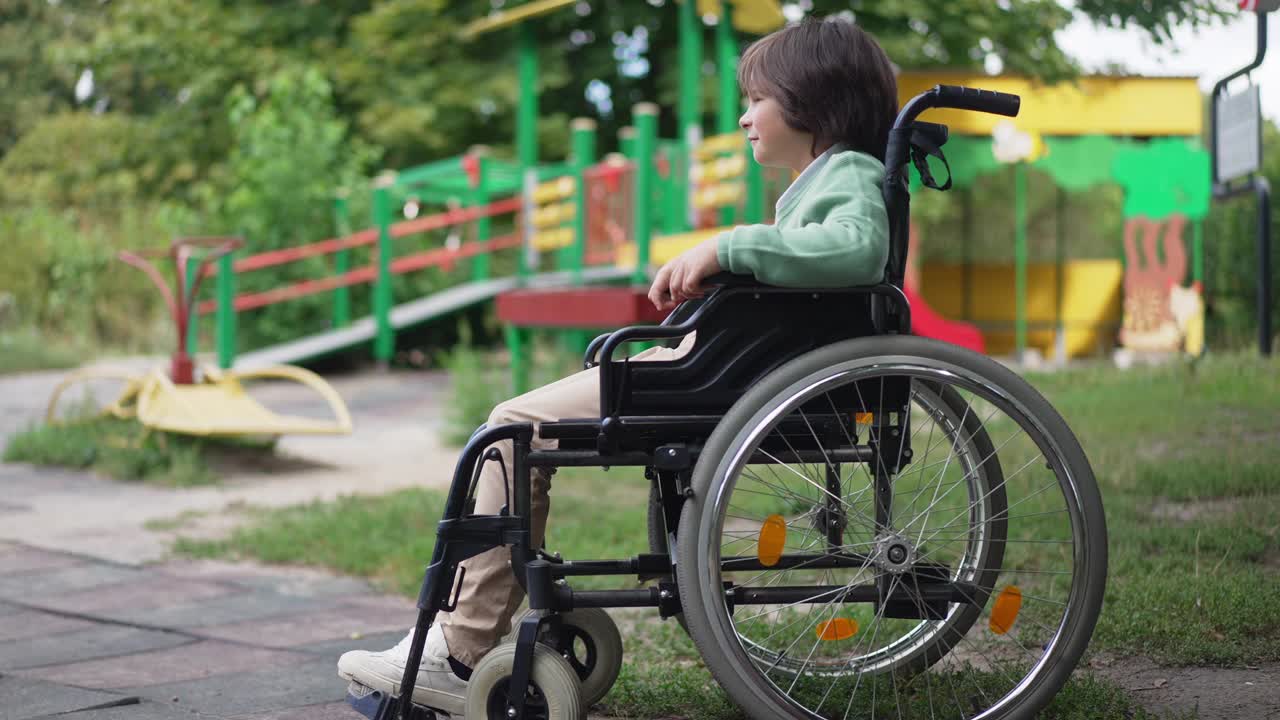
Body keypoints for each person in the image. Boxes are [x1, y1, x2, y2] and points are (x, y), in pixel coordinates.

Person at [337, 15, 898, 715]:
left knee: (511, 430)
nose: (746, 117)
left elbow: (854, 254)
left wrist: (729, 249)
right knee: (515, 425)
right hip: (723, 370)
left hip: (727, 382)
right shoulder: (822, 181)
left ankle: (458, 649)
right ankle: (468, 633)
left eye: (758, 99)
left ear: (816, 102)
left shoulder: (849, 173)